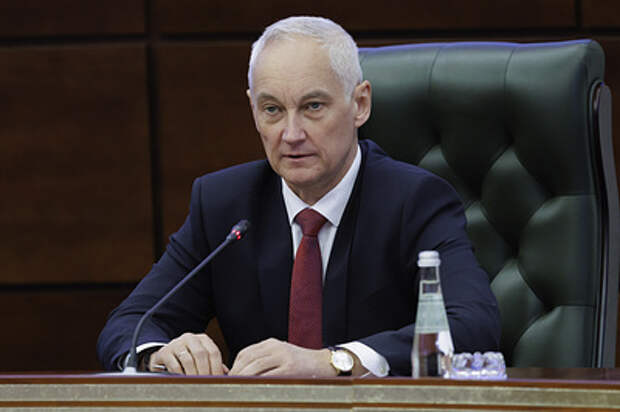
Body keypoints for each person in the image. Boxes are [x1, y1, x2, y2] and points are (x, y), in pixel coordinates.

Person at [97, 16, 500, 377]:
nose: (291, 134)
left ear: (360, 104)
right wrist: (161, 354)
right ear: (253, 109)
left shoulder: (415, 201)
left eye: (313, 106)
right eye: (272, 110)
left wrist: (335, 362)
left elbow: (472, 325)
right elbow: (129, 325)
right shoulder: (223, 204)